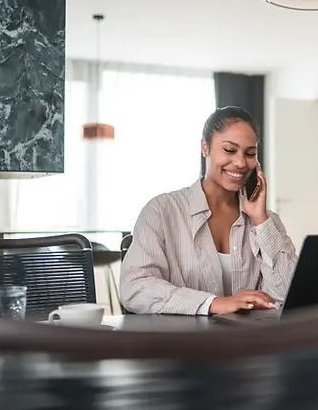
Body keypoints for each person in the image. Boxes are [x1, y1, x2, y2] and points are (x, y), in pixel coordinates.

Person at [120, 106, 298, 315]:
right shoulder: (162, 211)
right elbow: (134, 287)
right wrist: (214, 303)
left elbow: (289, 295)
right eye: (229, 150)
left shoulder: (267, 221)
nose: (241, 162)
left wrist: (260, 219)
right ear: (205, 147)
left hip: (248, 343)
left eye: (250, 153)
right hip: (183, 343)